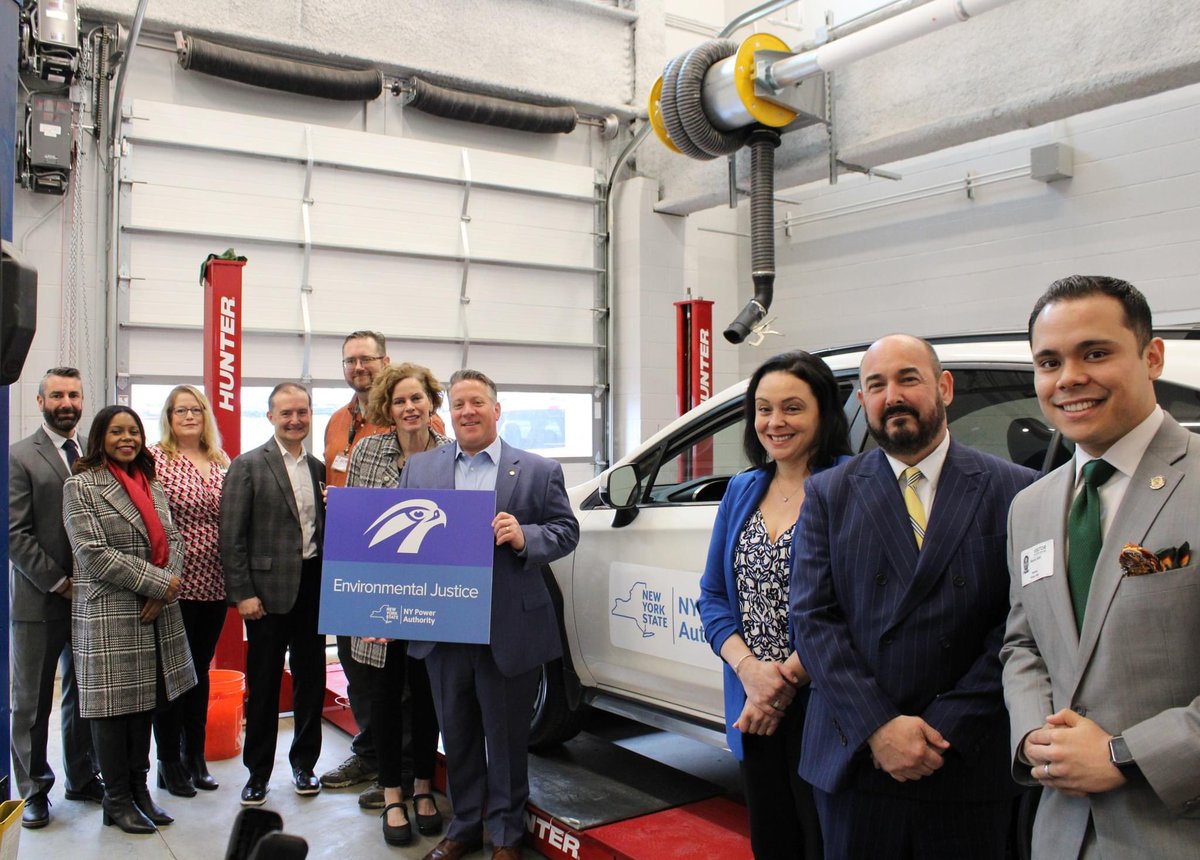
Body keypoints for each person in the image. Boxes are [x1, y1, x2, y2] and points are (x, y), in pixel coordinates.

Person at [791, 334, 1035, 859]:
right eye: (875, 385)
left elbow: (1023, 623)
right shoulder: (830, 493)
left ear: (943, 387)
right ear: (861, 400)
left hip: (967, 757)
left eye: (908, 378)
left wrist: (944, 728)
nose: (892, 396)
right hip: (858, 757)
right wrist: (878, 727)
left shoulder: (1014, 489)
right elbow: (813, 619)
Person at [1000, 276, 1200, 858]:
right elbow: (1023, 645)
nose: (1068, 379)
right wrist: (1036, 734)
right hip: (1063, 832)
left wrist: (1124, 754)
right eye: (1049, 361)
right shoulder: (1030, 507)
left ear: (1151, 355)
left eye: (1095, 353)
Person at [400, 369, 579, 860]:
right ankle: (463, 826)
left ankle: (505, 834)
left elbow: (566, 531)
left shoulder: (539, 470)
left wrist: (526, 537)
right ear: (448, 413)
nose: (468, 412)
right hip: (444, 628)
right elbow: (399, 548)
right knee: (455, 733)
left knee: (504, 739)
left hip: (508, 627)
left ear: (497, 410)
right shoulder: (421, 470)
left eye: (477, 402)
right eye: (458, 404)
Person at [699, 350, 851, 860]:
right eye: (763, 409)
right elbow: (714, 597)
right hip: (752, 701)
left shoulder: (855, 484)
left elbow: (861, 605)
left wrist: (781, 683)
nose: (774, 422)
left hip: (828, 702)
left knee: (827, 840)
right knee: (773, 838)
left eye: (792, 408)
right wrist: (751, 674)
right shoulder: (743, 489)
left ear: (824, 414)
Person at [62, 405, 197, 834]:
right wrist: (160, 584)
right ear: (100, 436)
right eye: (117, 431)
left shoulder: (150, 483)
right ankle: (115, 800)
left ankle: (140, 793)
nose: (127, 439)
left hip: (156, 613)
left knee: (146, 707)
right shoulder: (80, 486)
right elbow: (92, 553)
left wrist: (165, 584)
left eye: (133, 432)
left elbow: (173, 538)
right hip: (110, 613)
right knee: (111, 712)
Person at [345, 362, 452, 846]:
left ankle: (425, 788)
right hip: (380, 596)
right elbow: (355, 531)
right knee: (384, 698)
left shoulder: (451, 455)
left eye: (417, 398)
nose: (409, 407)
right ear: (387, 408)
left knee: (428, 696)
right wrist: (359, 607)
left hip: (434, 598)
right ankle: (393, 794)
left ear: (431, 403)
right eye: (399, 400)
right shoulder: (367, 451)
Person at [221, 383, 327, 806]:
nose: (295, 420)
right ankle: (257, 774)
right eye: (286, 413)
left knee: (311, 683)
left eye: (302, 412)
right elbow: (231, 539)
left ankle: (305, 766)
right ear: (270, 417)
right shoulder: (247, 466)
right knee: (264, 687)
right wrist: (242, 593)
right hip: (265, 597)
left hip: (314, 590)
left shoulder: (321, 469)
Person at [9, 367, 103, 828]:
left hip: (91, 601)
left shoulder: (92, 455)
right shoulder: (20, 456)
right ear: (40, 401)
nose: (67, 402)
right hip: (41, 601)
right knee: (31, 702)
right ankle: (32, 791)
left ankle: (82, 778)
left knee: (84, 696)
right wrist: (60, 582)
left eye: (75, 395)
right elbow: (15, 535)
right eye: (58, 395)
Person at [149, 385, 230, 796]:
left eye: (196, 409)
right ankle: (168, 762)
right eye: (180, 410)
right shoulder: (155, 459)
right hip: (173, 585)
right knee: (171, 678)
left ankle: (194, 756)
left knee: (198, 674)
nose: (189, 416)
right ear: (169, 415)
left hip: (214, 584)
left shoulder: (221, 460)